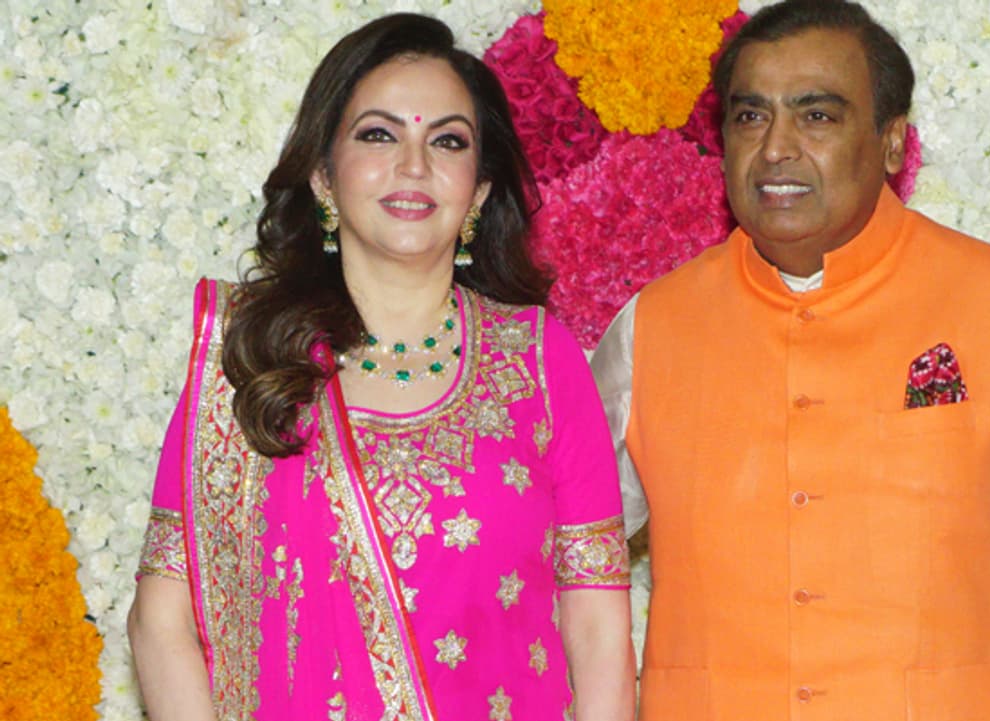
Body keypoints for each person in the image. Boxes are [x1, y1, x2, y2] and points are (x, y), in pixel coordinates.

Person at [590, 1, 990, 720]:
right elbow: (560, 559)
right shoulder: (653, 329)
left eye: (817, 116)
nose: (776, 148)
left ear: (892, 142)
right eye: (751, 116)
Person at [127, 14, 634, 721]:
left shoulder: (539, 360)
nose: (413, 165)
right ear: (322, 176)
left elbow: (598, 625)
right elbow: (162, 620)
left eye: (447, 141)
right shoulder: (247, 358)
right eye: (378, 134)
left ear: (478, 192)